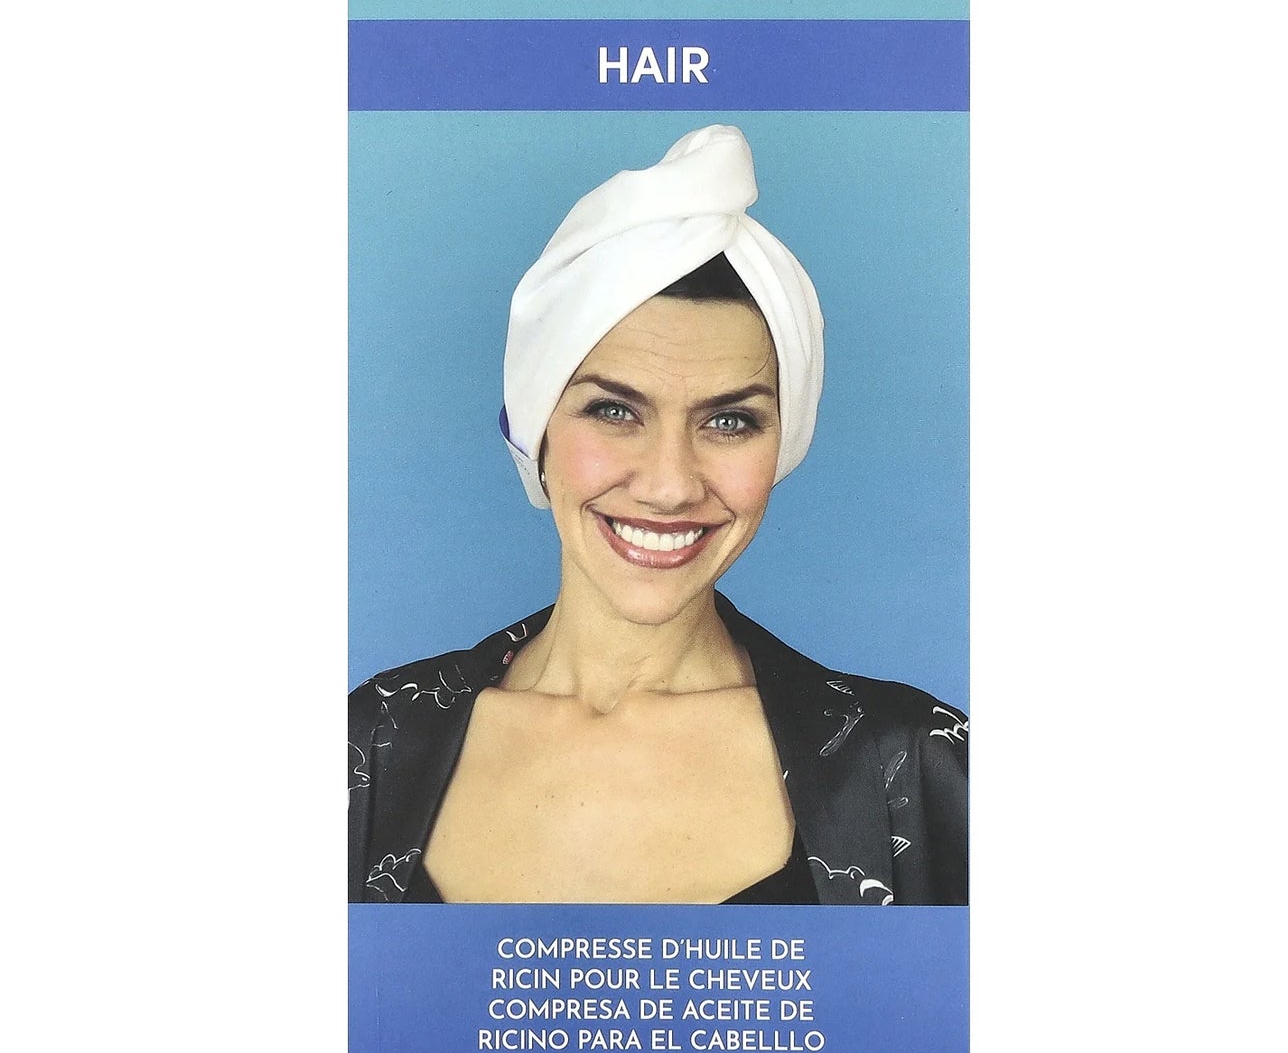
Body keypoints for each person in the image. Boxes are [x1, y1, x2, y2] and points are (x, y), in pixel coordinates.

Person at [348, 124, 967, 905]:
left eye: (730, 420)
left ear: (782, 442)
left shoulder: (911, 767)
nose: (670, 485)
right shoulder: (366, 745)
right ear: (536, 431)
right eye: (613, 410)